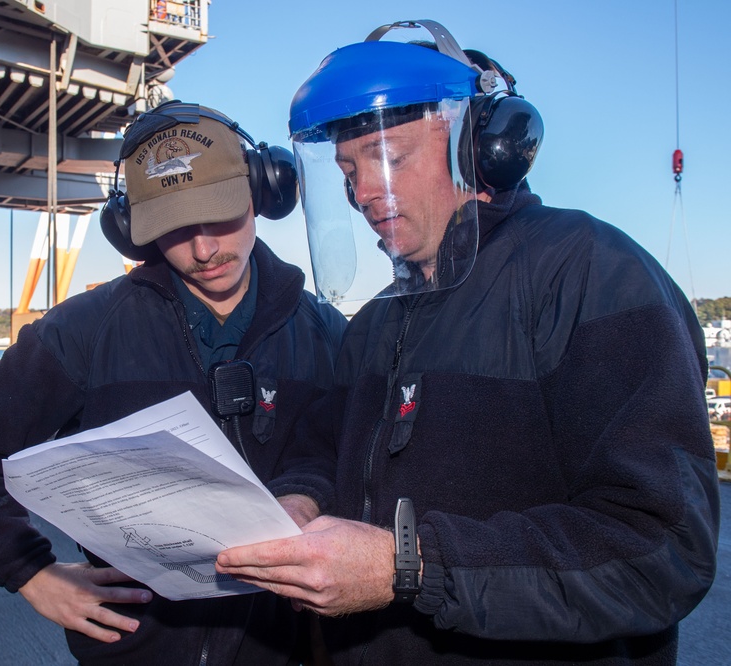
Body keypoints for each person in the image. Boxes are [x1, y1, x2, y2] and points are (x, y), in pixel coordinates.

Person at [215, 20, 720, 665]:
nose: (363, 193)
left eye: (391, 158)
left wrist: (410, 565)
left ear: (481, 147)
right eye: (347, 170)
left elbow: (660, 545)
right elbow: (324, 448)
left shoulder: (589, 271)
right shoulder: (373, 324)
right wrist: (299, 500)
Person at [0, 101, 347, 665]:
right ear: (132, 231)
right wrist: (31, 573)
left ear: (261, 192)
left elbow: (340, 448)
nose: (204, 249)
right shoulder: (85, 330)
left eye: (220, 215)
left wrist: (309, 494)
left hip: (283, 647)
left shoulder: (324, 332)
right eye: (174, 227)